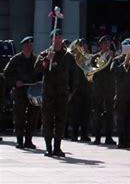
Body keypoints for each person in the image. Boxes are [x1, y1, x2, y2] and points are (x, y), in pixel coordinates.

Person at [34, 29, 76, 157]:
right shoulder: (45, 54)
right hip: (49, 93)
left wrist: (71, 92)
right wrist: (47, 59)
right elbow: (37, 69)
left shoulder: (68, 56)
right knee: (47, 120)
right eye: (55, 37)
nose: (58, 40)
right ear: (51, 39)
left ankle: (57, 147)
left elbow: (74, 75)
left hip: (62, 93)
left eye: (60, 37)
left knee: (60, 121)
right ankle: (49, 147)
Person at [4, 36, 41, 149]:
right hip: (19, 91)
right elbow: (6, 73)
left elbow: (41, 74)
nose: (29, 47)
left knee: (33, 116)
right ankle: (20, 140)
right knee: (19, 116)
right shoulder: (16, 59)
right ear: (23, 46)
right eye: (27, 45)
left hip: (32, 91)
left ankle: (28, 140)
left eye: (31, 45)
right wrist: (15, 82)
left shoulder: (36, 60)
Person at [91, 35, 116, 145]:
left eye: (108, 44)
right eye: (105, 43)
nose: (107, 46)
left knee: (109, 113)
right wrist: (103, 59)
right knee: (97, 113)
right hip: (98, 88)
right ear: (100, 45)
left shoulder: (114, 57)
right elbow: (91, 69)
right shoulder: (95, 57)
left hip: (110, 88)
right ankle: (97, 137)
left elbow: (117, 69)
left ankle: (109, 137)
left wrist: (112, 58)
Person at [69, 38, 92, 142]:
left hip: (87, 88)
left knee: (86, 113)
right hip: (76, 90)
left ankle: (84, 134)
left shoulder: (90, 58)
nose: (84, 47)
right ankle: (74, 134)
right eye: (82, 45)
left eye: (85, 45)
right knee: (75, 113)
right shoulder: (74, 59)